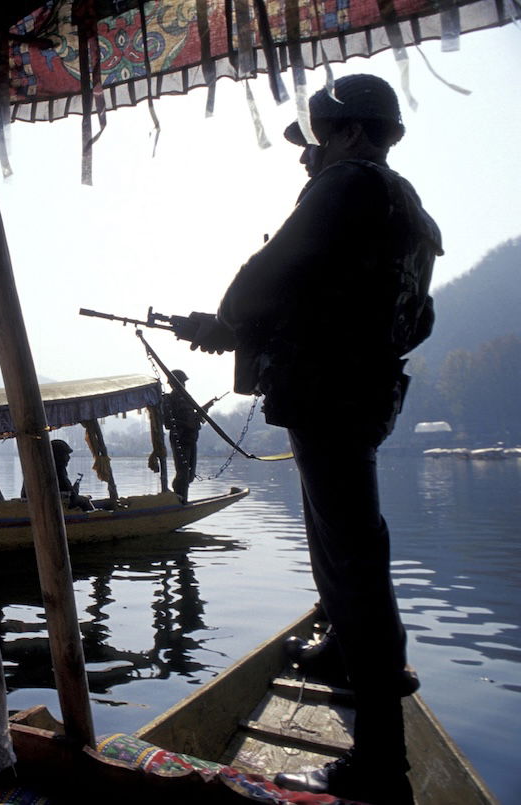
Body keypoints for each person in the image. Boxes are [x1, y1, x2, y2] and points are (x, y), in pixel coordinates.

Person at [190, 74, 441, 804]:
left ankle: (379, 765)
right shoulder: (411, 212)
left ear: (354, 133)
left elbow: (264, 280)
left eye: (320, 139)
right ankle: (339, 646)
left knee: (354, 556)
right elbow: (410, 319)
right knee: (346, 541)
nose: (310, 156)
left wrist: (229, 317)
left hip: (329, 395)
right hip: (359, 397)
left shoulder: (348, 186)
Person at [161, 369, 216, 502]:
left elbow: (194, 418)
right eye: (182, 382)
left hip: (191, 438)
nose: (184, 385)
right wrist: (186, 424)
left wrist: (205, 408)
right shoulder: (168, 399)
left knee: (190, 475)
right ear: (174, 383)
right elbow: (167, 422)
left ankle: (179, 496)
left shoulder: (187, 398)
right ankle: (180, 499)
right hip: (180, 438)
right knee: (183, 473)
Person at [19, 439, 92, 511]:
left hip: (33, 504)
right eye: (66, 454)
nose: (69, 458)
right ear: (58, 455)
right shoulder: (57, 469)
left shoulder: (35, 467)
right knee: (85, 501)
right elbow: (71, 494)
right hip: (48, 506)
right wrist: (75, 490)